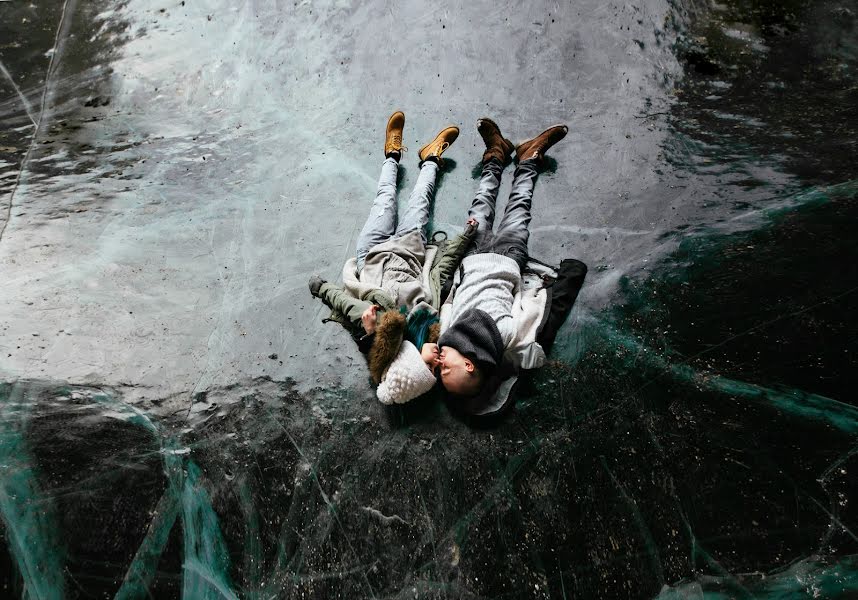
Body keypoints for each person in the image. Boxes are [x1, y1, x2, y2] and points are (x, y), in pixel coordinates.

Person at [309, 111, 477, 404]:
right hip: (411, 249)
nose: (437, 363)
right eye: (437, 371)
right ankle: (431, 158)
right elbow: (441, 272)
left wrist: (322, 288)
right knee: (421, 200)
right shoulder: (431, 320)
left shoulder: (378, 328)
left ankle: (392, 154)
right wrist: (464, 238)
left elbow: (347, 303)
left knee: (385, 198)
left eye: (429, 366)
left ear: (411, 361)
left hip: (371, 252)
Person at [436, 118, 588, 416]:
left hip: (472, 253)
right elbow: (531, 317)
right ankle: (529, 158)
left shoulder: (446, 332)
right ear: (468, 365)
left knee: (481, 203)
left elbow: (448, 299)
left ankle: (496, 153)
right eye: (445, 371)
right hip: (508, 258)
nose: (439, 366)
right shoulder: (505, 337)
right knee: (519, 206)